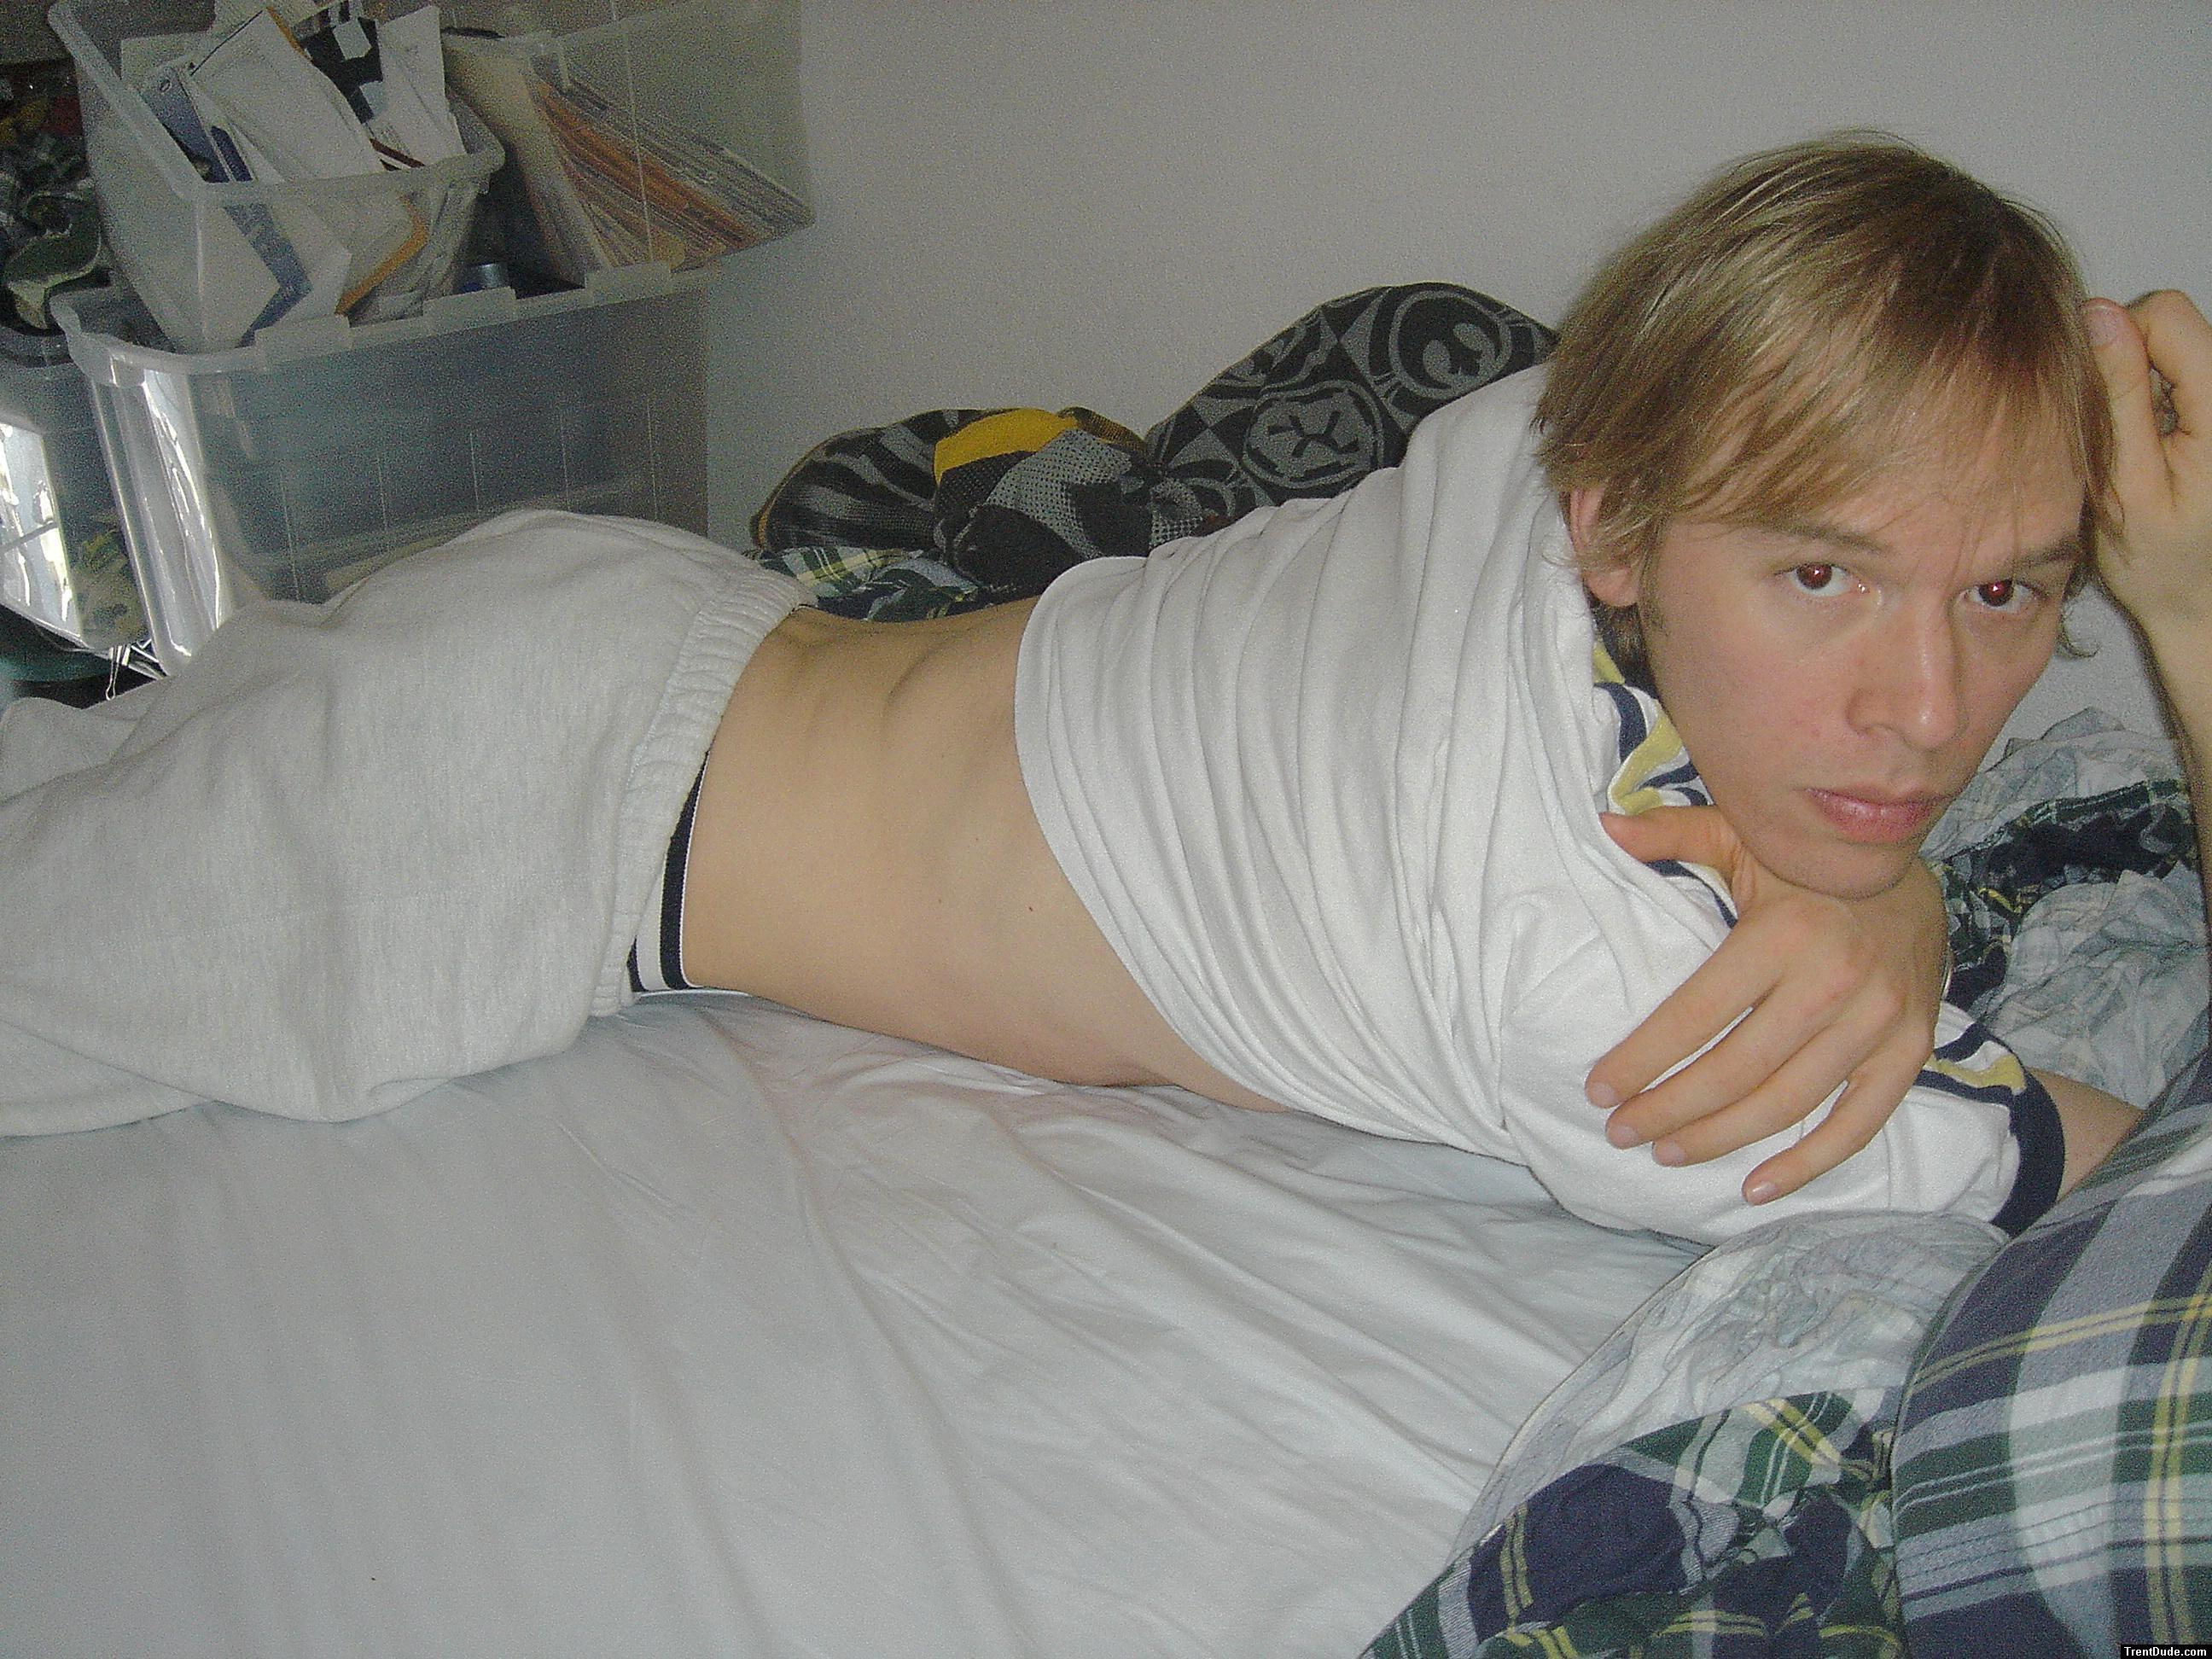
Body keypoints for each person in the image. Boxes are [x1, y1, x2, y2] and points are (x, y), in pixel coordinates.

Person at [0, 137, 2196, 1243]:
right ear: (1625, 526)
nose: (1930, 710)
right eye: (1822, 575)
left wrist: (1880, 886)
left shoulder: (1524, 451)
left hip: (619, 635)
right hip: (520, 823)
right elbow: (2165, 1201)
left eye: (2014, 591)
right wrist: (2183, 627)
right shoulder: (1609, 989)